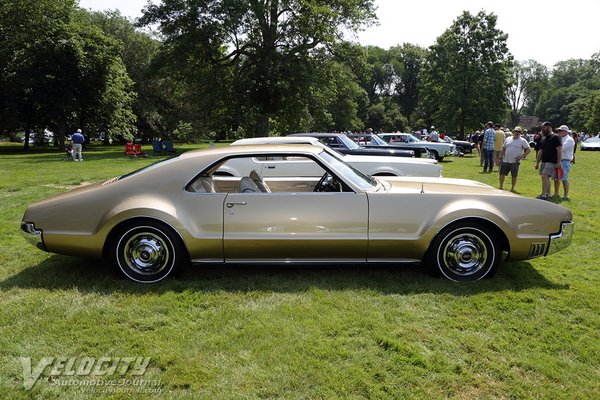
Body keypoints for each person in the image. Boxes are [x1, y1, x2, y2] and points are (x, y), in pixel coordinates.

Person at [498, 126, 531, 192]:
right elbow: (503, 148)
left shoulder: (522, 140)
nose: (517, 133)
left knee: (514, 175)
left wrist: (522, 156)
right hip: (505, 160)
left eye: (519, 132)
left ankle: (512, 188)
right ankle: (501, 186)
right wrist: (500, 157)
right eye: (516, 131)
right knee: (502, 174)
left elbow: (528, 149)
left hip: (515, 161)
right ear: (513, 132)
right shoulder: (508, 139)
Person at [535, 122, 562, 200]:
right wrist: (537, 162)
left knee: (544, 175)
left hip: (552, 161)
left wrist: (559, 162)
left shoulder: (556, 137)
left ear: (548, 126)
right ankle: (548, 194)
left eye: (543, 127)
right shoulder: (543, 138)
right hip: (544, 161)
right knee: (546, 177)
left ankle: (543, 195)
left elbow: (559, 150)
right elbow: (541, 151)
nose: (542, 129)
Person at [553, 125, 575, 199]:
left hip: (565, 161)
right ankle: (556, 193)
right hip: (558, 160)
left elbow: (561, 149)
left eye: (560, 131)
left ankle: (566, 195)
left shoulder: (569, 140)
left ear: (565, 131)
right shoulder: (561, 138)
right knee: (557, 178)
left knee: (564, 178)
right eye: (558, 131)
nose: (558, 132)